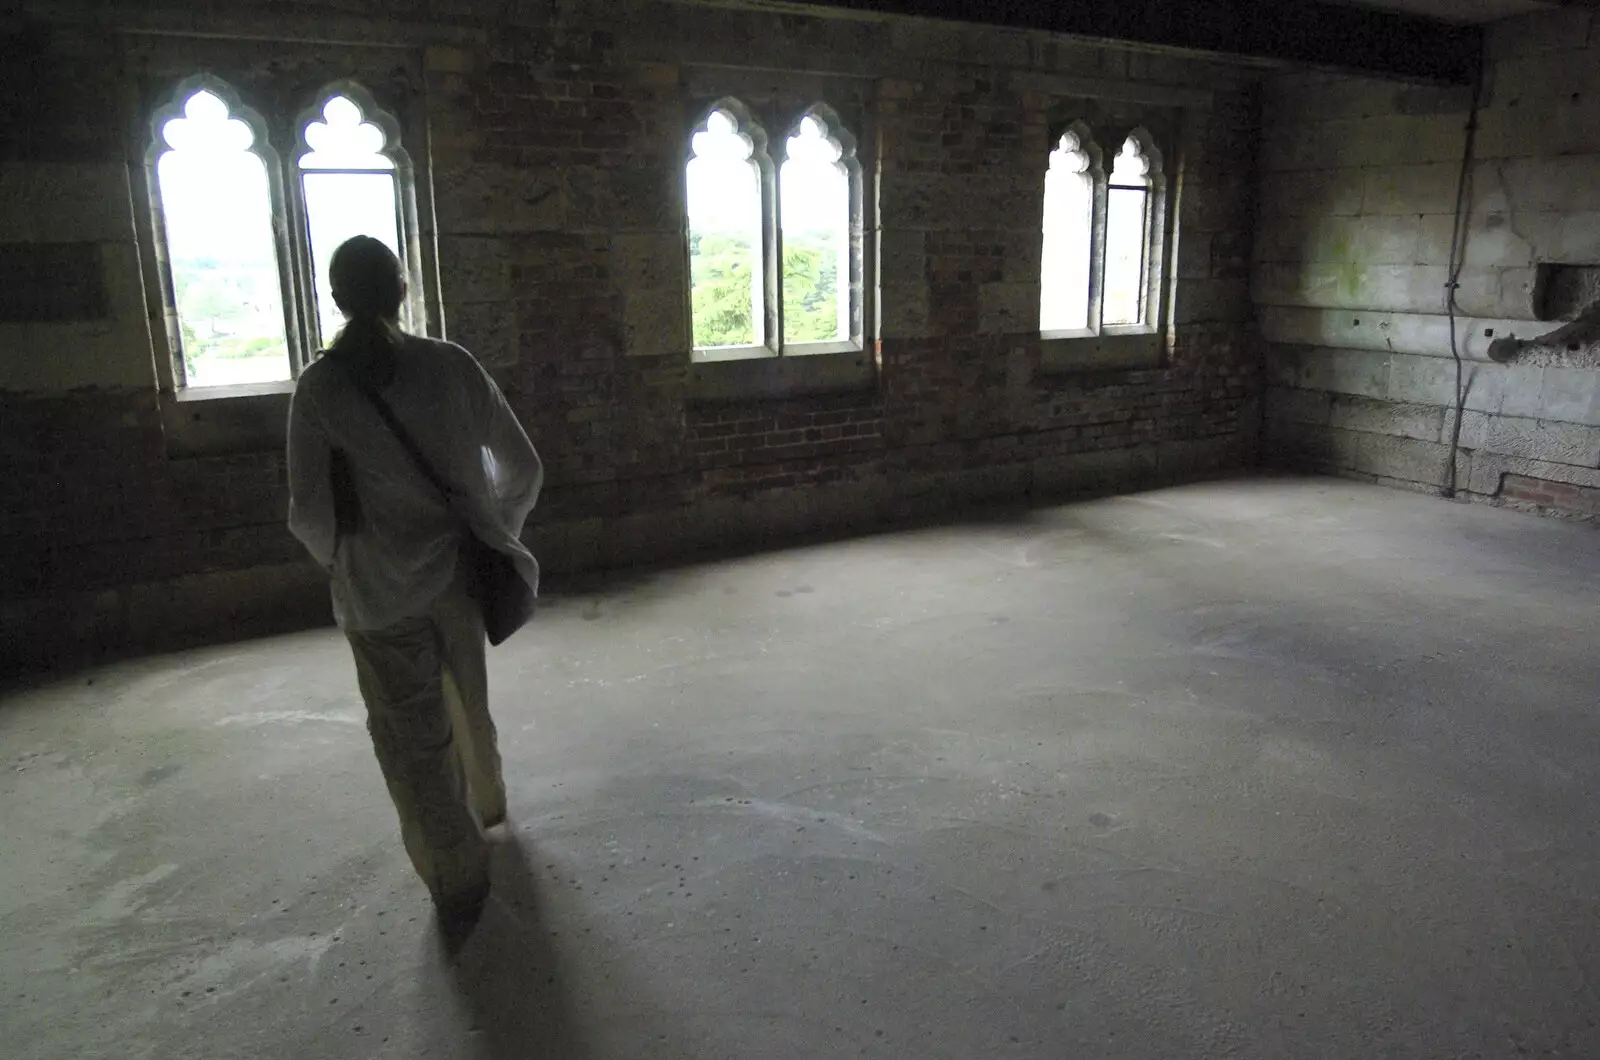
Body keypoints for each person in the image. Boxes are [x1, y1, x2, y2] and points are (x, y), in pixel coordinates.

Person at [286, 235, 542, 926]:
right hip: (458, 578)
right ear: (404, 290)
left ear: (335, 298)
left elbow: (308, 512)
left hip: (376, 595)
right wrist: (496, 529)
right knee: (468, 700)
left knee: (412, 741)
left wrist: (342, 564)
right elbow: (524, 469)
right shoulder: (452, 366)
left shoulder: (320, 388)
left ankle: (458, 879)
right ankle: (489, 808)